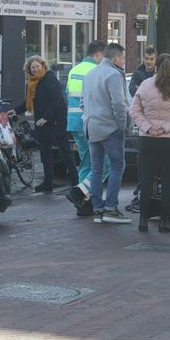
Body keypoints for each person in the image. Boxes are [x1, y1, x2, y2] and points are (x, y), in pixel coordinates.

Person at [130, 53, 170, 233]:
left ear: (155, 66)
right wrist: (166, 128)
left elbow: (134, 110)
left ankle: (143, 220)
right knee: (167, 180)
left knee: (146, 179)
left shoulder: (145, 85)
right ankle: (164, 221)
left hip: (147, 139)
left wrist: (148, 127)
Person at [10, 56, 78, 192]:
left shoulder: (50, 79)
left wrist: (46, 117)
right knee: (45, 154)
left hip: (56, 121)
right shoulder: (32, 83)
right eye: (32, 67)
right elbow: (28, 103)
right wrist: (15, 110)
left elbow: (56, 100)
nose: (35, 69)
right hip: (42, 123)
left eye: (37, 66)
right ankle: (48, 182)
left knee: (65, 152)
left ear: (43, 65)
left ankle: (75, 181)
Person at [82, 43, 132, 224]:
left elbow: (82, 102)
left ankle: (97, 209)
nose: (124, 62)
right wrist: (122, 125)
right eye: (123, 58)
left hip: (90, 127)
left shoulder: (89, 74)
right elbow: (119, 105)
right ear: (115, 58)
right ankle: (111, 208)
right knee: (118, 165)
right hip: (109, 128)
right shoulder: (114, 75)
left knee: (96, 168)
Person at [65, 40, 111, 216]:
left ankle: (84, 203)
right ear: (99, 54)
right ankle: (80, 194)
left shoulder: (74, 70)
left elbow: (69, 94)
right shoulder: (95, 70)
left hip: (73, 122)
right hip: (89, 122)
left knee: (85, 162)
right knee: (104, 163)